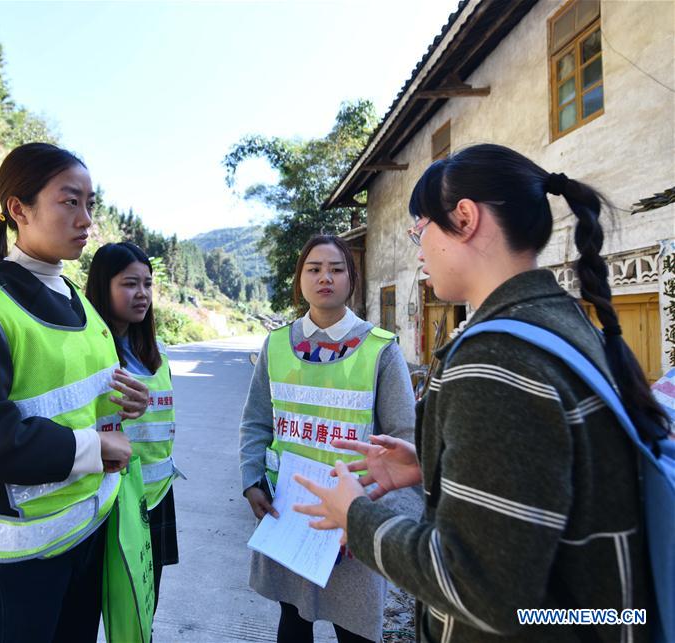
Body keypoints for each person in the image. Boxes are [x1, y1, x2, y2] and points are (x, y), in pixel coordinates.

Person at [295, 144, 667, 642]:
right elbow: (549, 481)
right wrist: (436, 465)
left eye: (419, 230)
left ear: (465, 217)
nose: (419, 250)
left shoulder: (495, 358)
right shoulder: (558, 324)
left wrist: (355, 518)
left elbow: (481, 590)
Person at [0, 142, 150, 642]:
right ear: (18, 209)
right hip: (9, 570)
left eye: (91, 204)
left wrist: (123, 406)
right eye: (70, 202)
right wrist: (95, 448)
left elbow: (86, 402)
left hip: (84, 542)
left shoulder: (79, 303)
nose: (86, 219)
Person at [239, 234, 421, 642]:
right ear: (299, 279)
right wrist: (252, 480)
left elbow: (404, 437)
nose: (326, 278)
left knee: (355, 628)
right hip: (291, 512)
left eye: (337, 269)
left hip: (352, 520)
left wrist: (373, 520)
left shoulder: (380, 350)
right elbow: (255, 421)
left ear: (351, 278)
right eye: (314, 269)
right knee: (293, 623)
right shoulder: (277, 345)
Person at [86, 241, 181, 616]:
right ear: (102, 287)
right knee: (91, 610)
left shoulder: (157, 354)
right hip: (105, 502)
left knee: (141, 614)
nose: (142, 294)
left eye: (147, 283)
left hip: (154, 499)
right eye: (129, 284)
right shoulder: (90, 353)